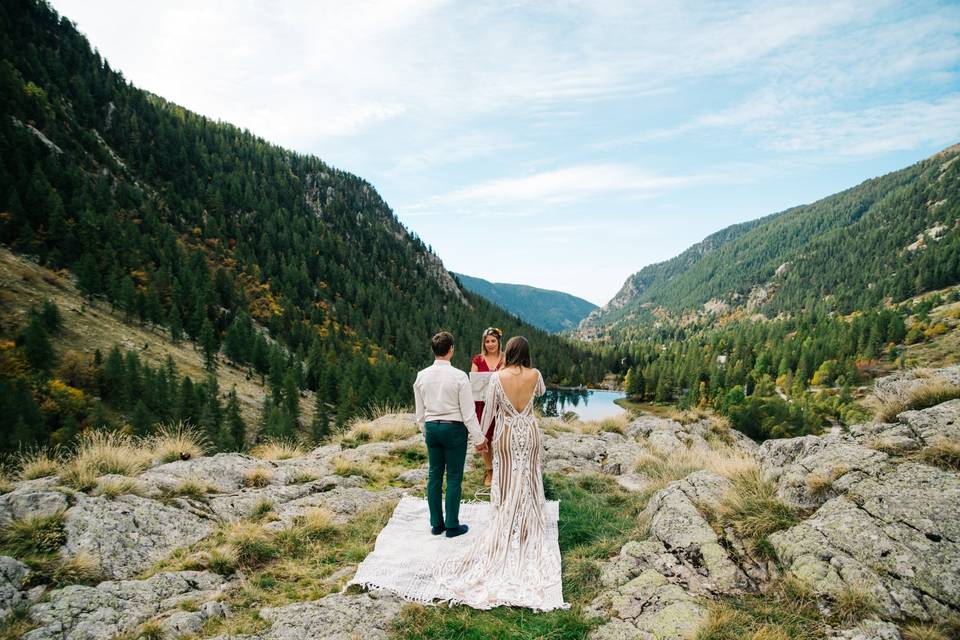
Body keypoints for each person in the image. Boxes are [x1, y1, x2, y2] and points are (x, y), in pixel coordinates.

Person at [432, 336, 567, 611]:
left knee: (505, 478)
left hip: (505, 434)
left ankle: (506, 514)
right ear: (527, 352)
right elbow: (540, 392)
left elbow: (490, 412)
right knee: (528, 476)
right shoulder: (535, 375)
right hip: (529, 431)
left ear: (509, 352)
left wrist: (480, 438)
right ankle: (527, 523)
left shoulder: (497, 378)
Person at [413, 331, 489, 538]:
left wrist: (425, 430)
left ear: (433, 350)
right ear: (451, 350)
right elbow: (468, 413)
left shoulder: (421, 376)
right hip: (454, 429)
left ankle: (436, 524)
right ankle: (452, 526)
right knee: (454, 477)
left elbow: (419, 412)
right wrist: (480, 439)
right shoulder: (459, 376)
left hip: (432, 427)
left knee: (434, 475)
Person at [470, 327, 504, 487]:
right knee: (486, 438)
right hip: (482, 405)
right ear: (483, 343)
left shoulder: (505, 359)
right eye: (487, 341)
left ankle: (503, 468)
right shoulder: (478, 359)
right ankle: (489, 470)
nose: (490, 344)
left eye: (493, 341)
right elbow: (474, 381)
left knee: (502, 437)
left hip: (501, 405)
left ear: (499, 342)